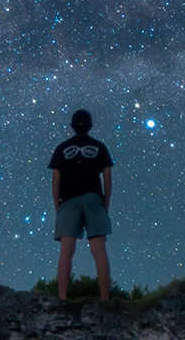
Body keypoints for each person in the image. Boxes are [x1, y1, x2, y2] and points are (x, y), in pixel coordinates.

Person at [48, 109, 113, 300]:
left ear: (72, 126)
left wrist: (57, 206)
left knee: (67, 250)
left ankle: (62, 298)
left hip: (68, 201)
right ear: (90, 125)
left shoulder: (61, 149)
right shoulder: (99, 147)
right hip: (94, 197)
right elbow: (107, 177)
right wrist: (105, 203)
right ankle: (104, 299)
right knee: (98, 249)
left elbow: (56, 178)